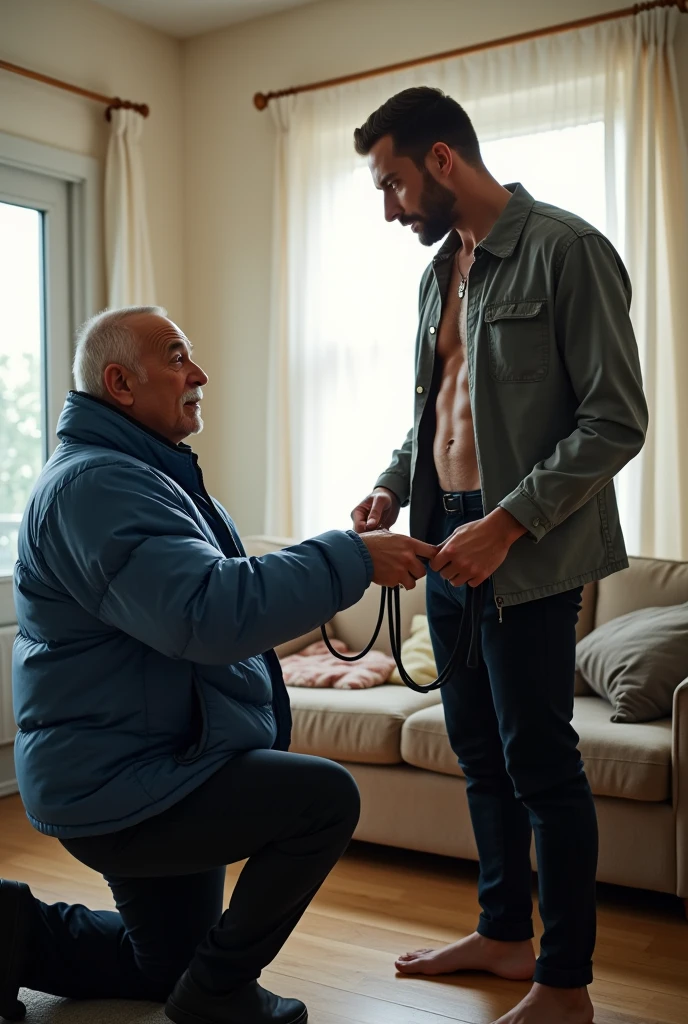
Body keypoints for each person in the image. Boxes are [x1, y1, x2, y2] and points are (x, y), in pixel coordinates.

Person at [2, 305, 437, 1024]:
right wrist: (352, 559)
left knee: (161, 963)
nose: (199, 374)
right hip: (125, 783)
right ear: (119, 383)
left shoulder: (142, 476)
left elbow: (212, 596)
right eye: (177, 357)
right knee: (323, 801)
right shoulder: (97, 488)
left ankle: (12, 934)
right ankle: (216, 998)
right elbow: (207, 614)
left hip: (160, 759)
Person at [350, 88, 648, 1024]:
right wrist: (394, 484)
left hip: (529, 547)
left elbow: (615, 420)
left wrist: (507, 523)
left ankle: (565, 984)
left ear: (443, 160)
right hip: (445, 539)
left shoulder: (569, 251)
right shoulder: (440, 275)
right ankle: (502, 933)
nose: (390, 207)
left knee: (540, 762)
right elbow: (436, 411)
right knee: (477, 751)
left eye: (394, 183)